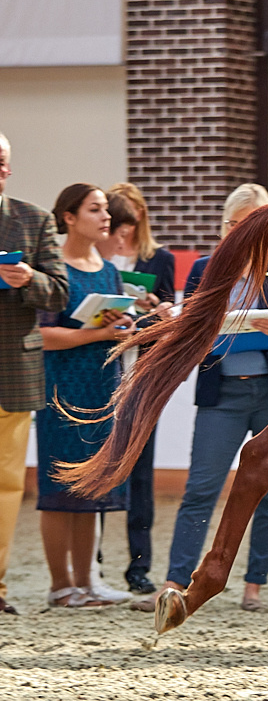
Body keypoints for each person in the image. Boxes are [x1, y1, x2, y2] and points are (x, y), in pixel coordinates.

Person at [131, 183, 268, 613]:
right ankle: (173, 583)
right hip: (221, 390)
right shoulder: (207, 268)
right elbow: (190, 330)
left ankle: (253, 587)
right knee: (200, 488)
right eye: (236, 223)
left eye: (254, 222)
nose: (244, 231)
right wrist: (184, 322)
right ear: (225, 227)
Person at [37, 183, 133, 608]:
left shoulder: (108, 269)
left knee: (93, 485)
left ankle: (87, 583)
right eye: (95, 209)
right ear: (69, 217)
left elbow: (116, 329)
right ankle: (61, 587)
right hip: (61, 390)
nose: (106, 216)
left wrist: (124, 327)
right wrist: (99, 332)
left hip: (102, 386)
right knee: (59, 489)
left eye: (105, 210)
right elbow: (42, 335)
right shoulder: (53, 266)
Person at [0, 132, 70, 615]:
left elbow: (59, 293)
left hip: (13, 371)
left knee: (6, 486)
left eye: (2, 160)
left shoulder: (33, 218)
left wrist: (31, 281)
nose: (0, 168)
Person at [97, 185, 174, 595]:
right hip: (100, 367)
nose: (125, 236)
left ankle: (139, 566)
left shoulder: (158, 258)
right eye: (119, 227)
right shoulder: (93, 258)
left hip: (142, 373)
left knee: (141, 474)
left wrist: (157, 312)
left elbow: (166, 319)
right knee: (97, 465)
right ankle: (93, 563)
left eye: (132, 226)